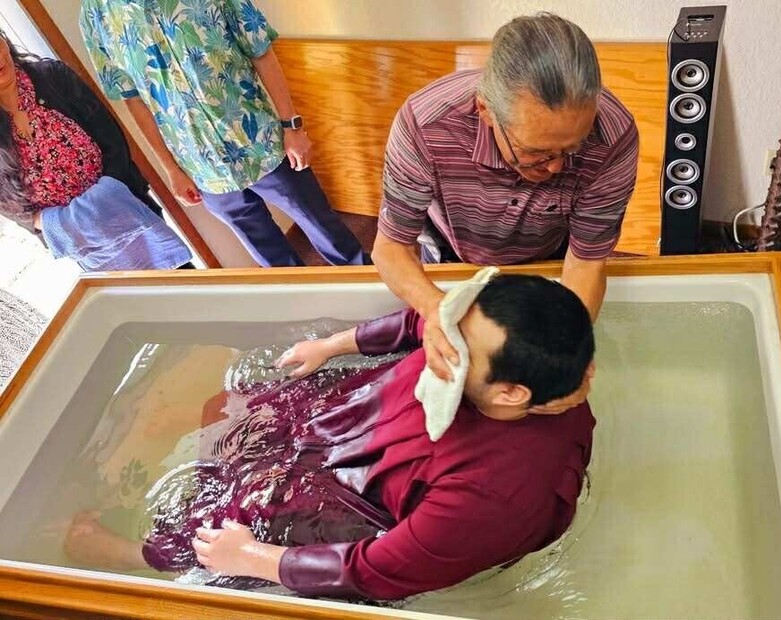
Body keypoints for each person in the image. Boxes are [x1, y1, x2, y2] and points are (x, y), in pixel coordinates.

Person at [64, 274, 596, 601]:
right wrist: (334, 345)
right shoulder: (488, 345)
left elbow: (374, 569)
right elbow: (424, 323)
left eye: (453, 350)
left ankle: (133, 555)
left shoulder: (491, 499)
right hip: (358, 417)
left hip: (360, 508)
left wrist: (251, 557)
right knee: (254, 413)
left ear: (510, 394)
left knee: (225, 526)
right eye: (451, 323)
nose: (438, 337)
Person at [371, 13, 637, 401]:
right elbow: (392, 246)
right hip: (452, 253)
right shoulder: (424, 125)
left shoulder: (614, 136)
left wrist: (568, 354)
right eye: (536, 152)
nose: (556, 167)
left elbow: (585, 263)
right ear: (485, 111)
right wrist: (437, 309)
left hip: (550, 257)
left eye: (572, 148)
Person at [80, 0, 369, 268]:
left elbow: (260, 50)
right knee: (273, 260)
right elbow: (134, 100)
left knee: (329, 232)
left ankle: (375, 288)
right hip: (203, 168)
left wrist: (291, 126)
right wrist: (171, 169)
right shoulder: (96, 16)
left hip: (263, 143)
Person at [0, 30, 191, 269]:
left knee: (181, 281)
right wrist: (51, 222)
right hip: (85, 243)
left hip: (129, 210)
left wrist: (106, 198)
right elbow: (8, 203)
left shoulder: (53, 77)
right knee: (130, 294)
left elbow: (113, 141)